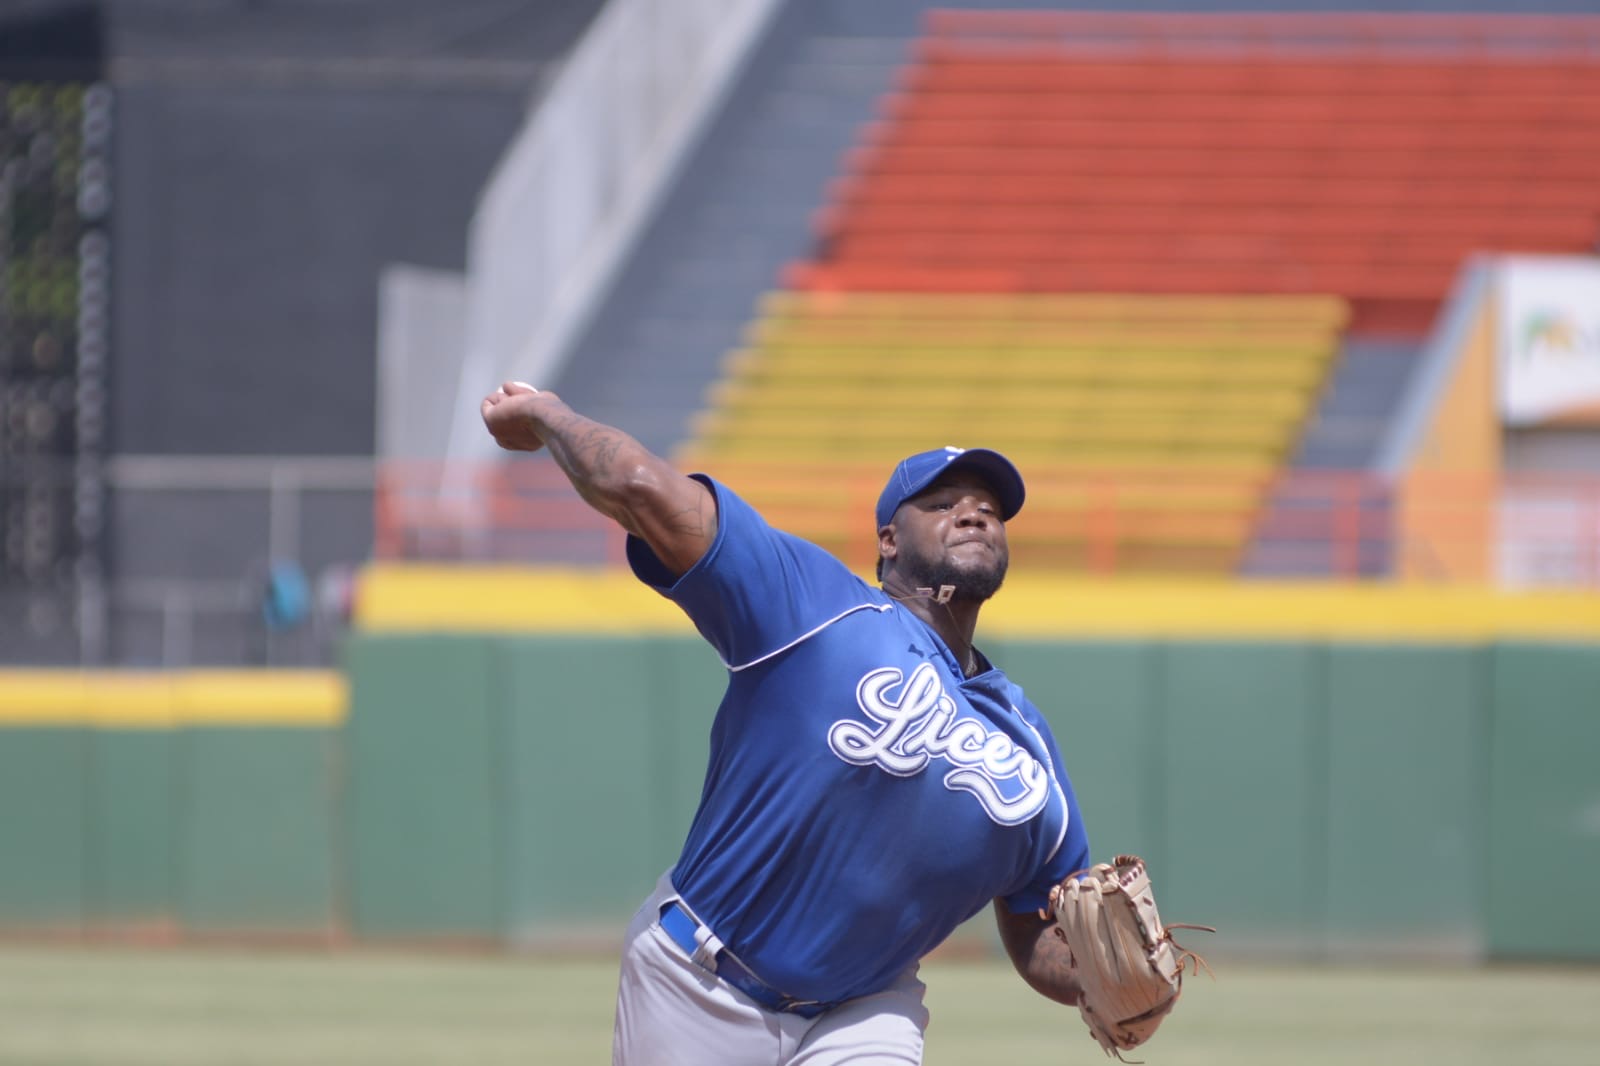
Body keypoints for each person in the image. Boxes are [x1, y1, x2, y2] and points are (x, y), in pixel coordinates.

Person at [481, 381, 1089, 1065]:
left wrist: (1101, 981)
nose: (974, 514)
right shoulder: (812, 602)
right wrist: (549, 415)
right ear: (889, 540)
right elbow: (638, 486)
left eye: (989, 510)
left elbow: (1038, 926)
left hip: (866, 1010)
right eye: (944, 503)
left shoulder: (1025, 742)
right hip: (696, 981)